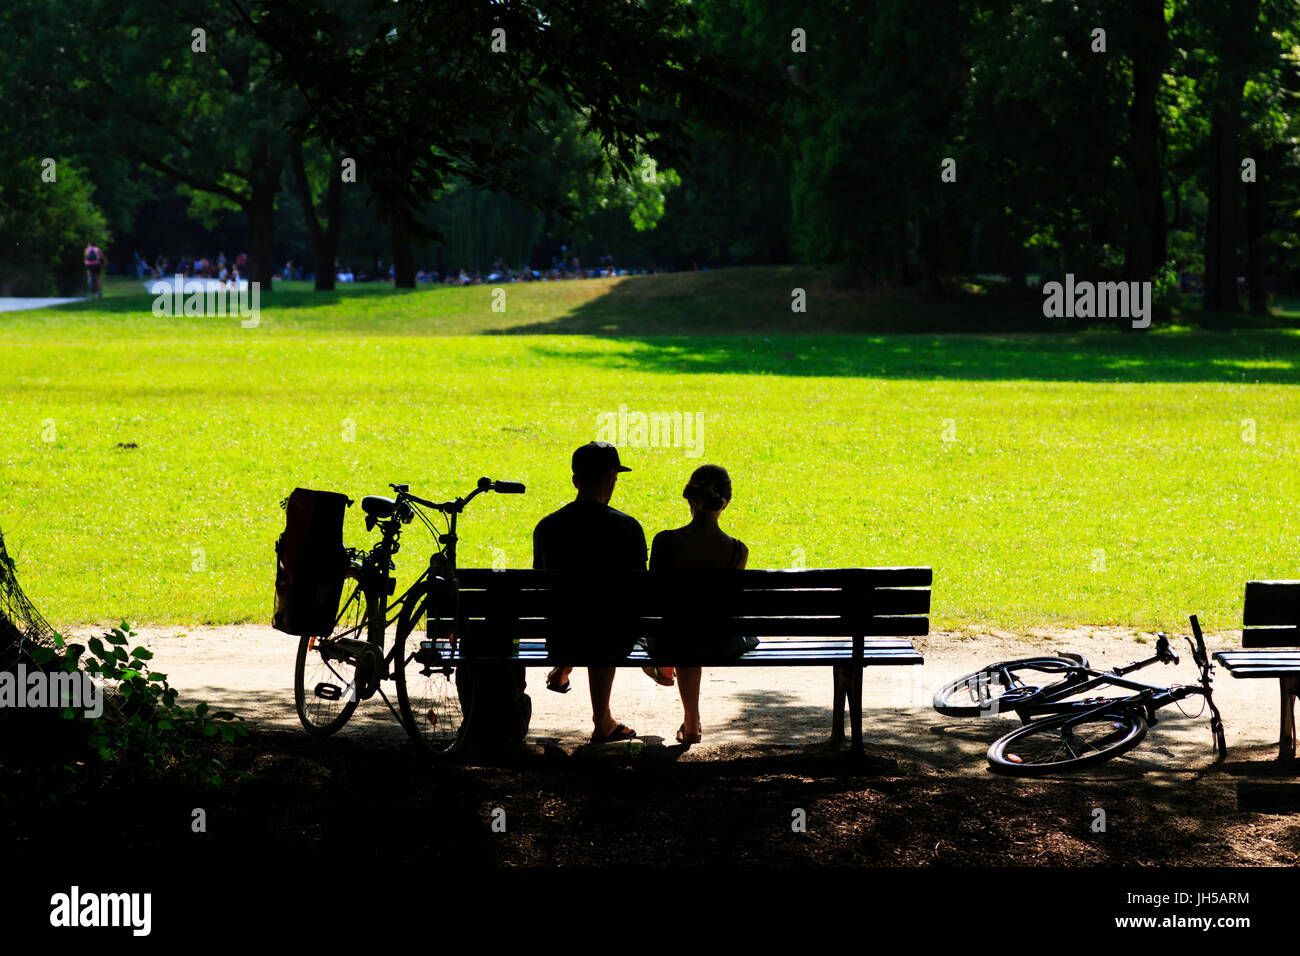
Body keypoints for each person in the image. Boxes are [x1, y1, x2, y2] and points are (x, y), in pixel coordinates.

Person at [534, 441, 646, 744]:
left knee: (581, 609)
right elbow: (640, 592)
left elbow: (542, 585)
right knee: (606, 616)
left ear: (575, 481)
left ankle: (564, 668)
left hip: (561, 634)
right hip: (610, 637)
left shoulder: (547, 527)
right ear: (611, 476)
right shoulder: (627, 528)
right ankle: (602, 722)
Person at [646, 464, 749, 745]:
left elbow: (653, 596)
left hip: (674, 639)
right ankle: (691, 723)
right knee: (698, 629)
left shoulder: (665, 542)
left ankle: (688, 715)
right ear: (724, 503)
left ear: (689, 497)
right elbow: (731, 603)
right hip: (719, 641)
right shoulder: (738, 550)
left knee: (681, 631)